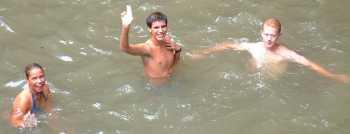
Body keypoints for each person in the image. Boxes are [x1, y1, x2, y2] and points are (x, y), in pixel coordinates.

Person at [191, 18, 350, 83]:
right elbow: (228, 45)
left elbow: (309, 64)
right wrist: (204, 52)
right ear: (261, 33)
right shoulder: (253, 46)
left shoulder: (286, 53)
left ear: (279, 36)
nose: (268, 39)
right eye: (266, 34)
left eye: (272, 36)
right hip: (251, 78)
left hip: (273, 82)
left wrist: (333, 76)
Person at [119, 5, 181, 85]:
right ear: (149, 29)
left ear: (167, 26)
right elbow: (125, 48)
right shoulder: (147, 48)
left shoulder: (168, 40)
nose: (160, 30)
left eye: (163, 26)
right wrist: (125, 27)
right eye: (156, 28)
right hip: (156, 88)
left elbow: (175, 61)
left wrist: (178, 50)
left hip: (172, 82)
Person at [10, 63, 52, 128]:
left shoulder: (45, 88)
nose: (39, 81)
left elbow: (49, 108)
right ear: (28, 80)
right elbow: (14, 123)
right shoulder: (23, 99)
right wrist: (26, 123)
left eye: (41, 76)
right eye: (34, 78)